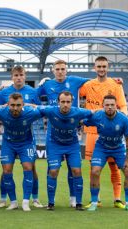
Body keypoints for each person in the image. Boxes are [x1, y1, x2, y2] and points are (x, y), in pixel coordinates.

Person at [37, 59, 89, 207]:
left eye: (62, 69)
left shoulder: (74, 80)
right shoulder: (47, 84)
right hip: (53, 132)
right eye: (57, 69)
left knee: (74, 169)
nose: (60, 71)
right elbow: (32, 95)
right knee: (52, 169)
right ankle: (49, 201)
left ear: (66, 70)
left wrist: (114, 81)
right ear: (53, 70)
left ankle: (74, 198)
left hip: (71, 129)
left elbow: (95, 82)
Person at [79, 56, 128, 209]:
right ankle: (97, 199)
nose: (101, 69)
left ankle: (117, 199)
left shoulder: (115, 85)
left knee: (114, 166)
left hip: (112, 132)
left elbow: (123, 105)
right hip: (92, 132)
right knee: (93, 167)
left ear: (108, 67)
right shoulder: (87, 85)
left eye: (104, 66)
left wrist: (124, 118)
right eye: (98, 66)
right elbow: (72, 90)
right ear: (95, 68)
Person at [0, 65, 43, 208]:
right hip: (9, 136)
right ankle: (3, 198)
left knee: (31, 167)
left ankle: (34, 198)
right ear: (12, 77)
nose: (19, 78)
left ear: (25, 76)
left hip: (27, 136)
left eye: (21, 75)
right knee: (5, 169)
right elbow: (0, 110)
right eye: (16, 75)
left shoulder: (32, 92)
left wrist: (27, 107)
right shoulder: (4, 92)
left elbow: (39, 109)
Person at [84, 95, 128, 211]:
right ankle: (94, 202)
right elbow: (83, 120)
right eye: (107, 105)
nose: (110, 107)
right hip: (101, 147)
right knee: (95, 171)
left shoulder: (123, 119)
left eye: (112, 105)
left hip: (118, 148)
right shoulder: (97, 116)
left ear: (116, 106)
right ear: (103, 106)